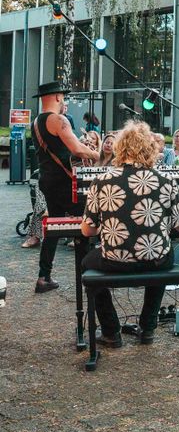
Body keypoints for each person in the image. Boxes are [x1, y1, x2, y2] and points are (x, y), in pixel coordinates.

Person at [79, 121, 179, 346]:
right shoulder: (166, 180)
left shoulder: (101, 180)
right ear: (151, 149)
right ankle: (148, 328)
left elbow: (87, 229)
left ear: (121, 148)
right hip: (155, 259)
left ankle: (111, 332)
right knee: (163, 254)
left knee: (86, 263)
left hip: (115, 260)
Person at [31, 81, 100, 293]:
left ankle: (44, 277)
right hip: (65, 182)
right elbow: (76, 148)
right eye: (64, 97)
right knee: (84, 223)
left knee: (54, 226)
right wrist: (100, 155)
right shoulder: (58, 119)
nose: (65, 101)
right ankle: (87, 275)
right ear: (59, 97)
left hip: (48, 180)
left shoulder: (36, 121)